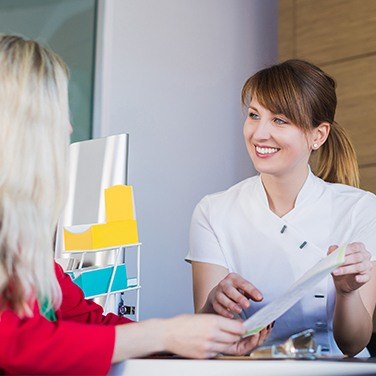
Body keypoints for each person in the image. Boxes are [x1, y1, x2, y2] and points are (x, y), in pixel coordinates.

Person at [0, 35, 269, 375]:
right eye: (58, 111)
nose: (68, 126)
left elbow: (88, 323)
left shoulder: (24, 248)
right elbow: (16, 344)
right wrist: (164, 334)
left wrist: (195, 339)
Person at [186, 59, 376, 357]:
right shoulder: (213, 211)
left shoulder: (361, 209)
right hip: (249, 368)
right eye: (253, 115)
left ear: (318, 135)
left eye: (279, 120)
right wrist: (214, 304)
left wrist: (347, 292)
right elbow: (207, 339)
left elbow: (353, 344)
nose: (259, 134)